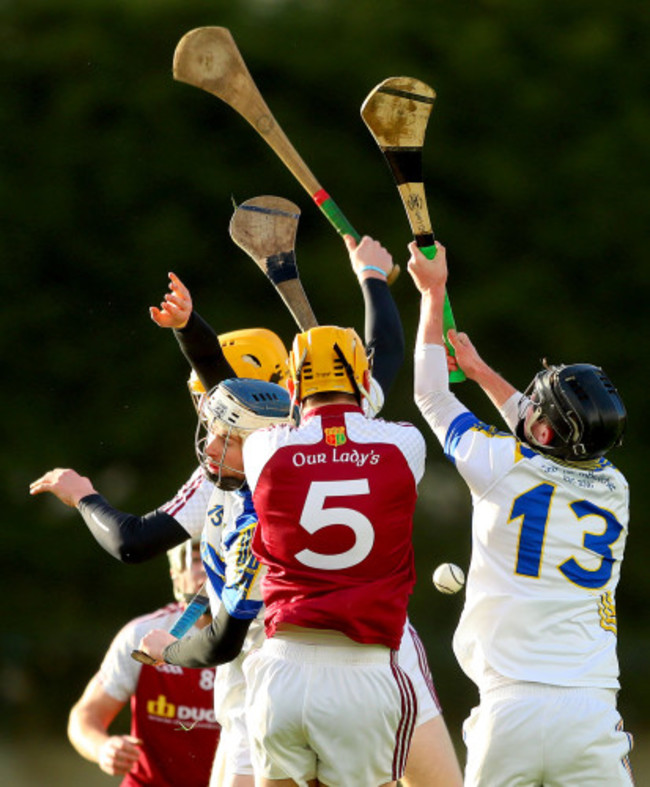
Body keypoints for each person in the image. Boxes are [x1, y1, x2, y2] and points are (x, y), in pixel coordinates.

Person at [408, 239, 635, 786]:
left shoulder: (500, 464)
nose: (528, 403)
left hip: (511, 709)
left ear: (542, 430)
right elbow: (543, 434)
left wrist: (432, 295)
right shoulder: (615, 487)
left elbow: (432, 398)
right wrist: (482, 371)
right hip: (592, 711)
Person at [212, 323, 425, 787]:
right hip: (364, 671)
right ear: (363, 382)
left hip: (281, 667)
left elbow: (301, 428)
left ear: (292, 385)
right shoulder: (406, 444)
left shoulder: (264, 448)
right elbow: (364, 424)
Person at [67, 537, 221, 786]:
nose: (206, 567)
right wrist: (103, 748)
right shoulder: (141, 635)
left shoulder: (261, 637)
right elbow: (85, 716)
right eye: (195, 559)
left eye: (216, 557)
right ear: (175, 575)